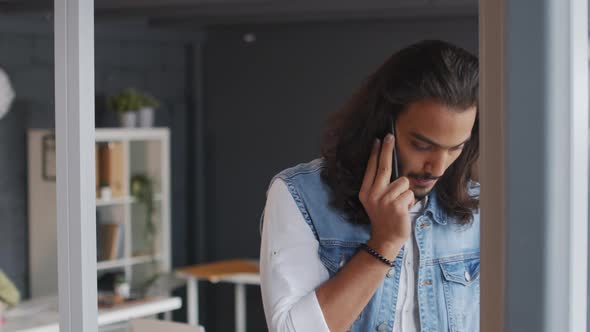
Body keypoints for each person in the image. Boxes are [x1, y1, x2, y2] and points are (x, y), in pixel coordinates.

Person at [260, 40, 480, 332]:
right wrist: (384, 244)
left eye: (455, 148)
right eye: (422, 145)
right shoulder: (300, 196)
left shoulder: (478, 203)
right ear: (382, 124)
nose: (438, 168)